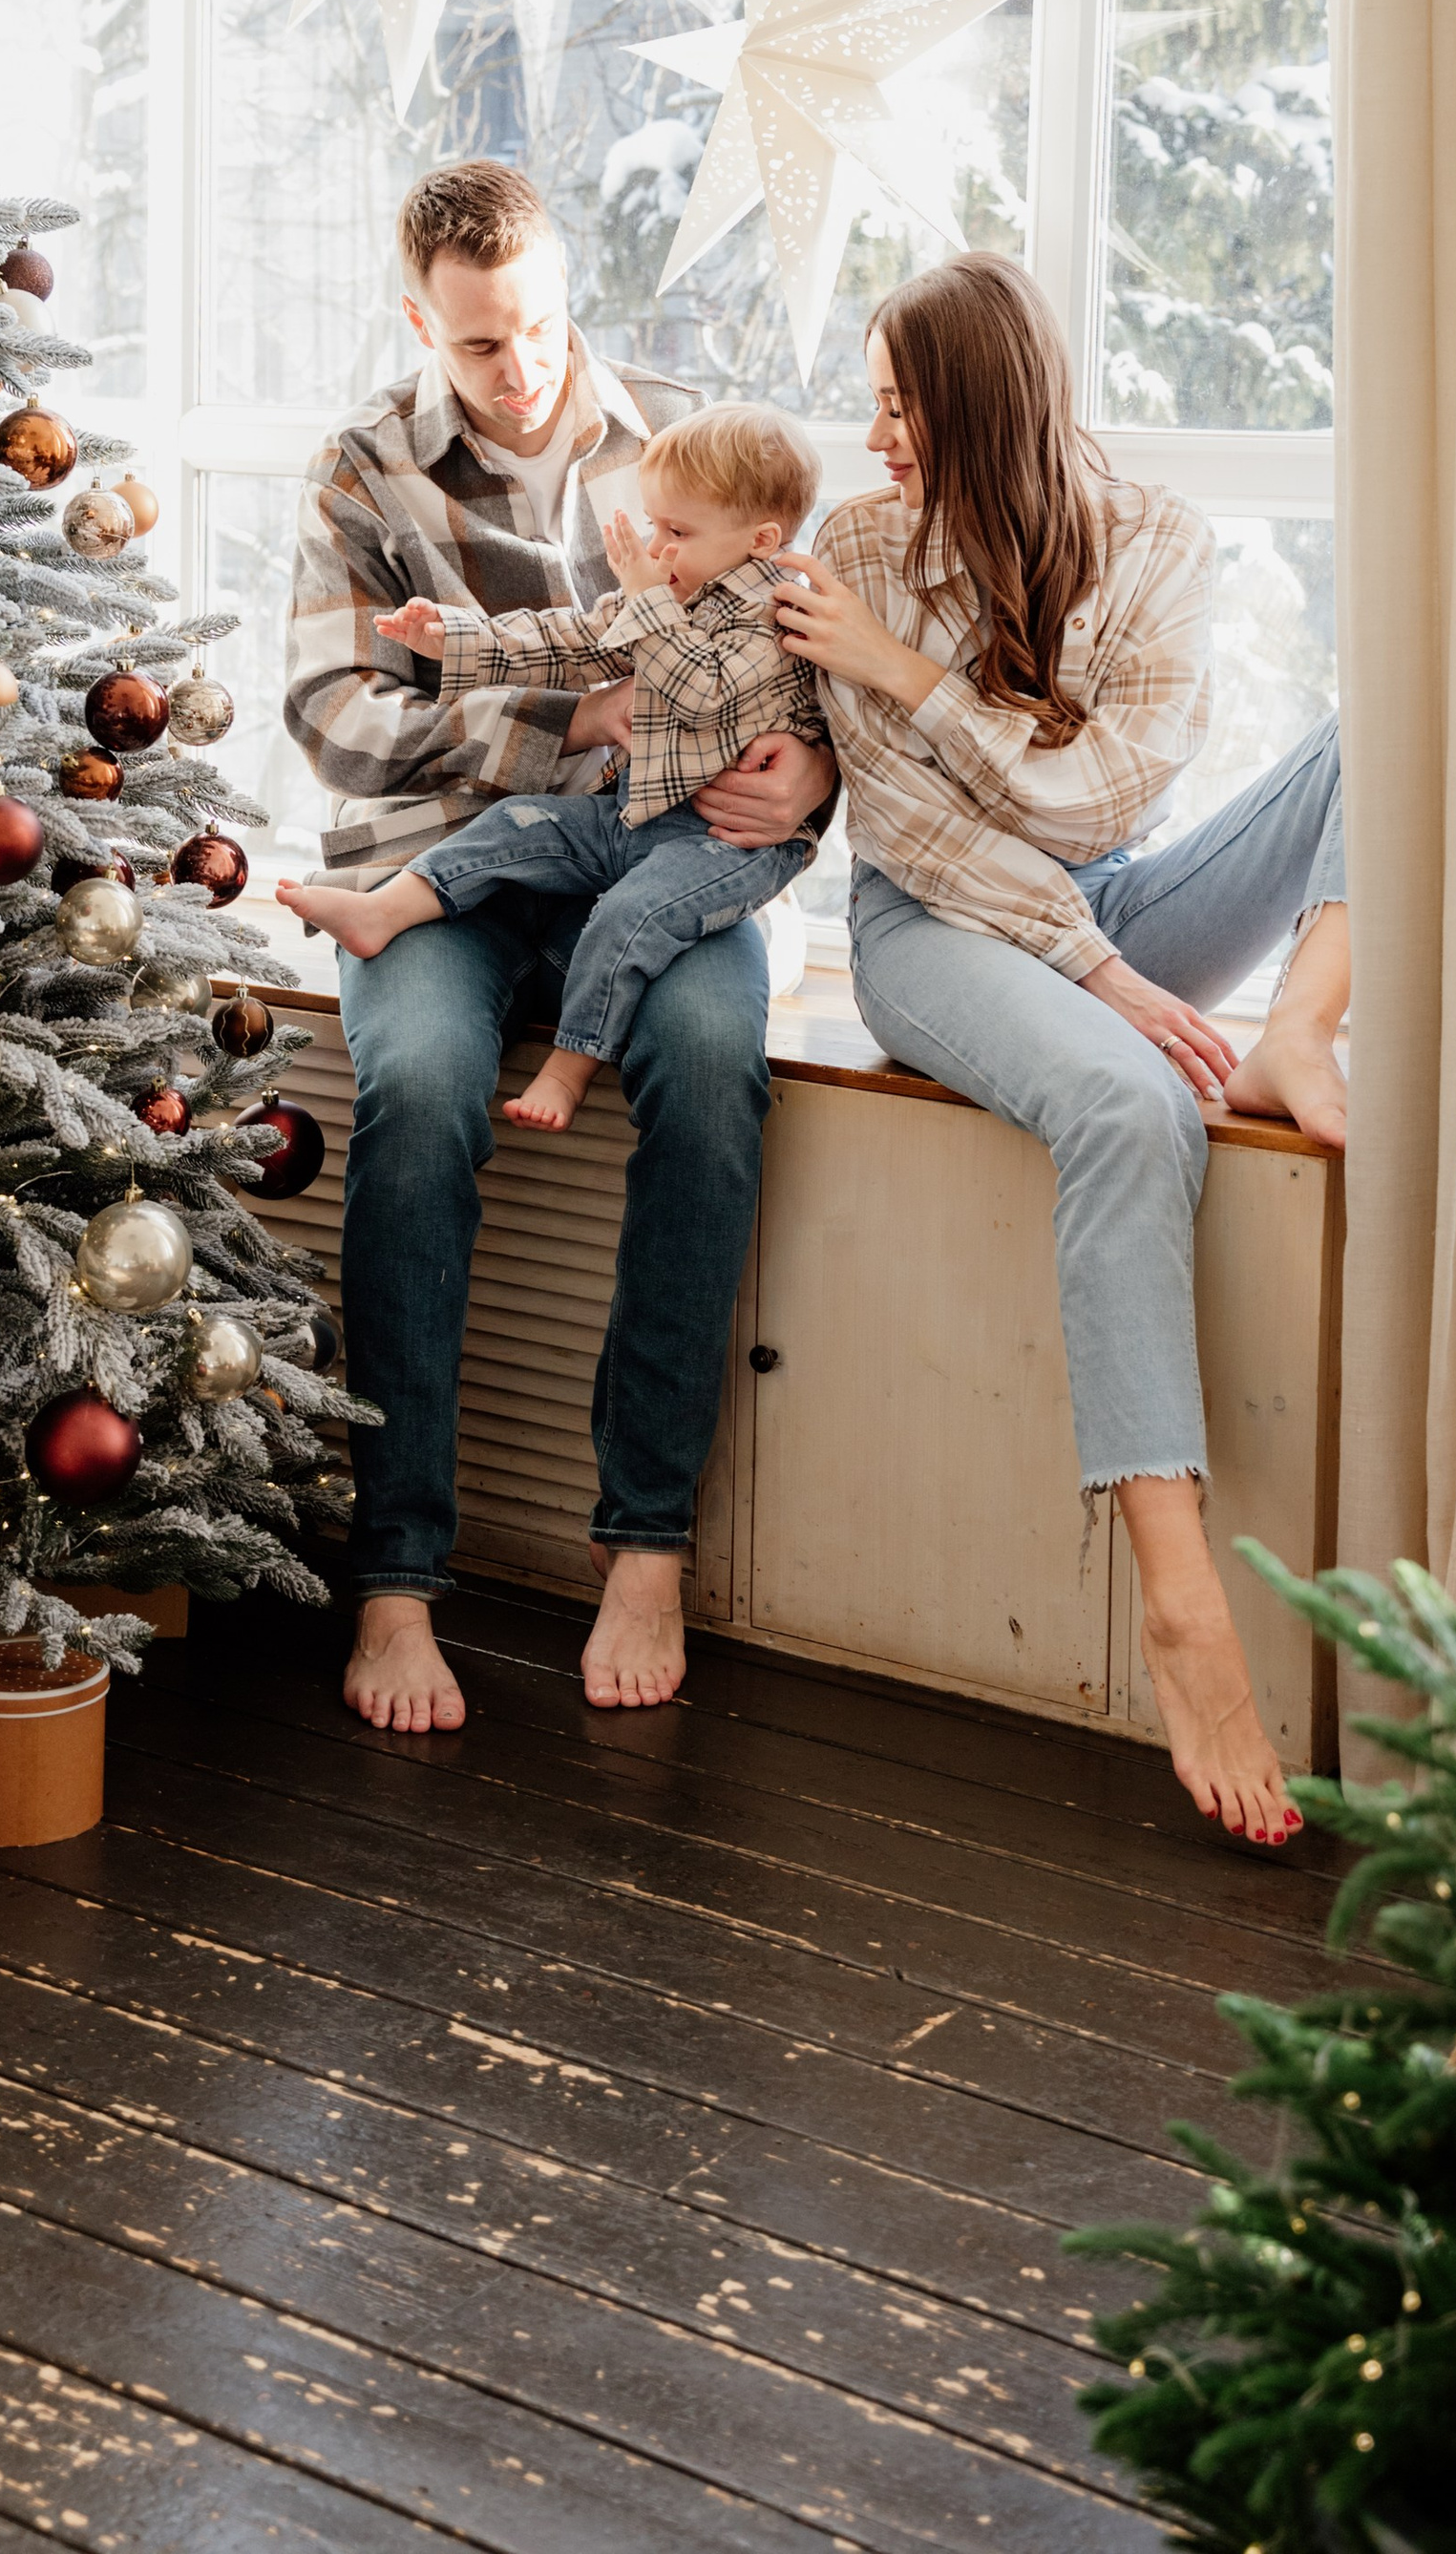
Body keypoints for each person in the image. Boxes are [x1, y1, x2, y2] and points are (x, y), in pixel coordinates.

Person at [770, 250, 1347, 1848]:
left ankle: (1302, 1026)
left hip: (1120, 904)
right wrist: (1096, 970)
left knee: (1378, 736)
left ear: (984, 407)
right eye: (872, 405)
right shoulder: (859, 550)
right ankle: (1180, 1600)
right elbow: (914, 837)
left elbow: (1101, 803)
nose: (875, 441)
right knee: (1128, 1102)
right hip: (931, 935)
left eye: (902, 408)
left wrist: (906, 675)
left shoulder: (1158, 540)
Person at [283, 161, 837, 1735]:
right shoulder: (362, 474)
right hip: (439, 869)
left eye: (535, 329)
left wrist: (813, 776)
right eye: (477, 348)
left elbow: (812, 666)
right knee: (426, 1091)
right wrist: (562, 724)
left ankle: (643, 1544)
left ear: (567, 283)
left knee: (722, 1062)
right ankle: (396, 1581)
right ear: (418, 324)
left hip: (665, 863)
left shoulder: (691, 443)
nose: (521, 371)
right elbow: (336, 721)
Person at [280, 401, 826, 1134]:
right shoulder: (678, 587)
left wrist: (644, 598)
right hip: (629, 817)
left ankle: (569, 1068)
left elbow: (703, 690)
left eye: (677, 533)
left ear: (761, 540)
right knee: (514, 824)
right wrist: (457, 641)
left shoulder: (775, 615)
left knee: (630, 921)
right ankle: (383, 910)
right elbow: (575, 638)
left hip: (717, 848)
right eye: (655, 527)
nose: (658, 547)